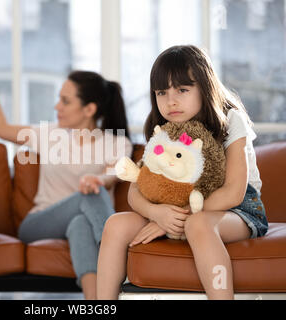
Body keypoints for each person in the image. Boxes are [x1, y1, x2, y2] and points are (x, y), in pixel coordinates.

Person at [97, 45, 268, 300]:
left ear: (205, 88)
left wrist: (179, 217)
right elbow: (136, 192)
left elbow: (233, 192)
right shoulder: (164, 128)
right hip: (172, 211)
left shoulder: (231, 120)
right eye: (161, 92)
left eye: (182, 90)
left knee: (198, 224)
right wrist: (157, 213)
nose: (171, 101)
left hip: (235, 211)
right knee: (115, 224)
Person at [0, 41, 133, 300]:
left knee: (80, 224)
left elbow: (114, 172)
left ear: (89, 109)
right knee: (91, 195)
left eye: (65, 101)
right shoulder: (50, 134)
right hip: (39, 223)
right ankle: (123, 259)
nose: (56, 107)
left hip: (80, 221)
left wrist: (99, 178)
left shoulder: (117, 142)